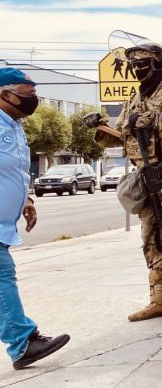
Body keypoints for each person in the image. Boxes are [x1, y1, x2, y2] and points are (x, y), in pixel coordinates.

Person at [84, 39, 162, 325]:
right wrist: (99, 125)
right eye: (133, 65)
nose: (137, 70)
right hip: (145, 179)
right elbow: (124, 138)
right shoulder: (134, 101)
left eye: (143, 64)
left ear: (158, 66)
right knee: (151, 238)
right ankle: (160, 300)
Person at [0, 67, 70, 369]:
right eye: (27, 95)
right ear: (5, 94)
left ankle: (22, 342)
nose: (34, 101)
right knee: (3, 278)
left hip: (4, 223)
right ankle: (22, 342)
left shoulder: (15, 125)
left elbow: (14, 168)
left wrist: (26, 198)